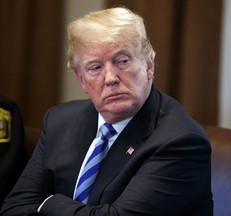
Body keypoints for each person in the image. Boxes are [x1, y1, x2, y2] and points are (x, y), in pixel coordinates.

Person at [0, 7, 213, 216]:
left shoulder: (181, 141)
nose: (111, 78)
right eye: (95, 68)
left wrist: (49, 203)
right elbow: (15, 206)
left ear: (149, 66)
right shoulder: (60, 120)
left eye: (122, 61)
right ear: (82, 80)